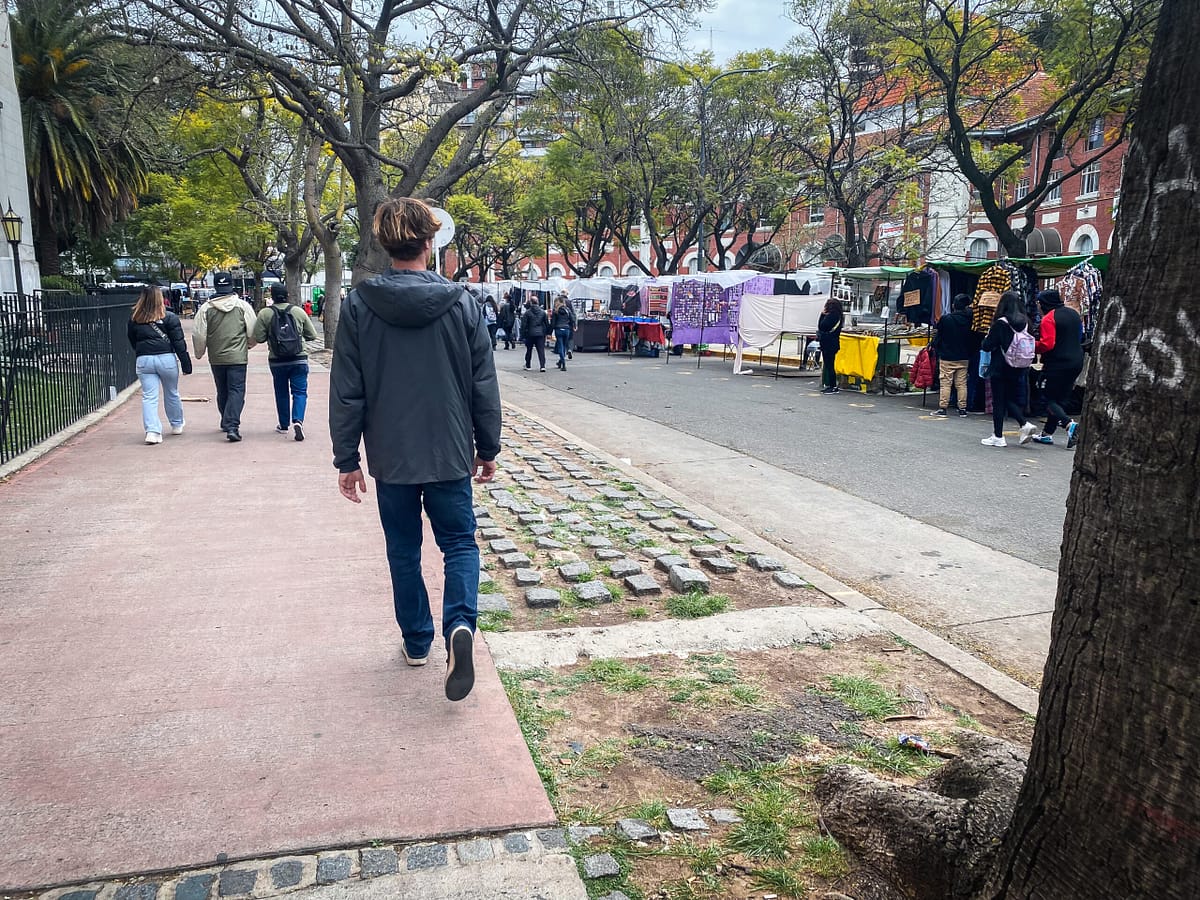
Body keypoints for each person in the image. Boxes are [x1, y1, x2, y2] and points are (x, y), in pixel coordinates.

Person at [329, 197, 501, 702]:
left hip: (391, 455)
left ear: (386, 246)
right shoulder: (463, 303)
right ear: (430, 244)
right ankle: (460, 626)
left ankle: (417, 641)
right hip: (449, 450)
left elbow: (347, 389)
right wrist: (487, 446)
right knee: (460, 544)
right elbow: (482, 384)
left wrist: (347, 459)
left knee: (403, 550)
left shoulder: (360, 305)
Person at [192, 271, 257, 442]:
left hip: (216, 357)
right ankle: (232, 425)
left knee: (222, 390)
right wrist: (249, 344)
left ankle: (225, 420)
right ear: (231, 285)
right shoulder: (243, 306)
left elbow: (199, 334)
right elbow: (252, 330)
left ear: (215, 286)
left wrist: (199, 353)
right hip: (238, 357)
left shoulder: (206, 309)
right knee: (236, 390)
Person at [254, 283, 319, 441]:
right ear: (288, 295)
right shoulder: (298, 311)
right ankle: (298, 420)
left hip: (277, 361)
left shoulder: (265, 314)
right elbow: (312, 335)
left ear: (272, 296)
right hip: (299, 359)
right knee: (300, 392)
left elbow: (259, 337)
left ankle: (283, 425)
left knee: (281, 392)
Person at [127, 285, 192, 444]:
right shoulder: (170, 317)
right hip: (166, 358)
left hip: (144, 359)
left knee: (149, 396)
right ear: (160, 299)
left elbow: (132, 341)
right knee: (172, 392)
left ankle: (152, 431)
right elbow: (178, 343)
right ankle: (176, 423)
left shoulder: (135, 319)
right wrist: (186, 364)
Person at [980, 291, 1038, 448]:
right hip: (1020, 367)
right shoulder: (1027, 322)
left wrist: (987, 338)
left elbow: (987, 346)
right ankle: (1023, 424)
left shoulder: (1001, 323)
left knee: (999, 401)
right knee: (1009, 398)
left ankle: (999, 436)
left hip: (1000, 367)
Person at [1033, 289, 1085, 448]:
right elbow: (1080, 336)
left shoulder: (1048, 319)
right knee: (1060, 399)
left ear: (1043, 303)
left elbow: (1047, 344)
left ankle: (1069, 424)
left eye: (1039, 303)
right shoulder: (1074, 314)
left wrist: (1030, 345)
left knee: (1047, 399)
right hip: (1077, 360)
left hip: (1057, 363)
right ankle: (1047, 434)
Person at [932, 293, 973, 417]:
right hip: (963, 356)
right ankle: (962, 409)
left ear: (954, 305)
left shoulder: (946, 319)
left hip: (947, 356)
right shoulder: (970, 320)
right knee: (961, 383)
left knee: (946, 382)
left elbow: (939, 334)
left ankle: (943, 408)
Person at [817, 297, 845, 394]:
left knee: (829, 365)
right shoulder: (839, 316)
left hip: (828, 343)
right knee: (830, 365)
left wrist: (822, 315)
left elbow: (822, 326)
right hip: (833, 342)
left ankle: (833, 386)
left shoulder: (832, 316)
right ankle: (831, 385)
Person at [521, 297, 549, 372]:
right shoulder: (543, 312)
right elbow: (546, 323)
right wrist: (546, 332)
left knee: (529, 350)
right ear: (538, 302)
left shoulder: (527, 312)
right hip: (540, 333)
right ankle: (542, 366)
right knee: (541, 350)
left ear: (530, 303)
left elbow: (524, 324)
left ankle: (528, 365)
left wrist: (523, 334)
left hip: (530, 333)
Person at [550, 294, 575, 371]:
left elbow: (553, 323)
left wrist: (549, 332)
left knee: (561, 346)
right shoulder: (567, 310)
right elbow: (572, 318)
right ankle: (560, 362)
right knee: (564, 346)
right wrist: (574, 325)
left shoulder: (555, 311)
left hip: (558, 329)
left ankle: (563, 363)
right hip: (566, 329)